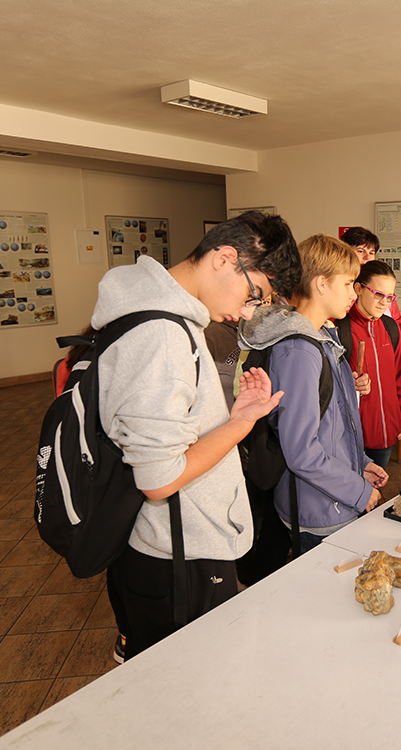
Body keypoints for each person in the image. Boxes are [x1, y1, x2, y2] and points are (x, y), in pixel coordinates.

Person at [92, 211, 300, 661]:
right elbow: (160, 478)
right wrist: (240, 426)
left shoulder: (159, 313)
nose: (245, 312)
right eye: (253, 294)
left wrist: (235, 415)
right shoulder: (163, 336)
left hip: (165, 540)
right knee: (192, 681)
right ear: (225, 259)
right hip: (178, 550)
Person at [240, 234, 388, 554]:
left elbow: (333, 425)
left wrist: (359, 464)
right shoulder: (299, 350)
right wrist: (359, 491)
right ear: (321, 283)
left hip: (332, 495)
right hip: (319, 507)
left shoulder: (320, 337)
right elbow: (302, 451)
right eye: (347, 284)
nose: (354, 293)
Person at [336, 260, 401, 469]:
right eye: (378, 294)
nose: (384, 302)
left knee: (377, 483)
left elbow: (399, 377)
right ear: (358, 289)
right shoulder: (339, 329)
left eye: (390, 297)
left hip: (386, 433)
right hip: (351, 435)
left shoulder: (391, 328)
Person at [341, 226, 401, 336]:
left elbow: (397, 322)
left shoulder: (385, 290)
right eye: (361, 251)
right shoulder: (340, 287)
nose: (367, 257)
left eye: (371, 253)